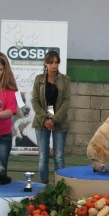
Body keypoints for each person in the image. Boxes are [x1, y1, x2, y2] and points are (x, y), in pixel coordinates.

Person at [31, 50, 71, 184]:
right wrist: (45, 119)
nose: (54, 65)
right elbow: (34, 101)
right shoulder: (38, 79)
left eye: (56, 62)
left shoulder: (65, 79)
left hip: (60, 121)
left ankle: (60, 184)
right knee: (43, 156)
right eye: (50, 62)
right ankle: (43, 184)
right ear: (45, 64)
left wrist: (54, 119)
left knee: (59, 156)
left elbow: (66, 101)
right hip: (41, 121)